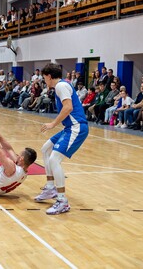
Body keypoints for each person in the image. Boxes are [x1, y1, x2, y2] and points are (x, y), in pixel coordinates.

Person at [35, 63, 89, 215]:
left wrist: (53, 123)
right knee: (45, 149)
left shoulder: (60, 86)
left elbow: (68, 108)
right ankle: (51, 187)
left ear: (49, 76)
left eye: (44, 78)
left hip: (76, 128)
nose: (44, 81)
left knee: (54, 160)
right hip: (69, 128)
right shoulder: (62, 85)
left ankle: (62, 201)